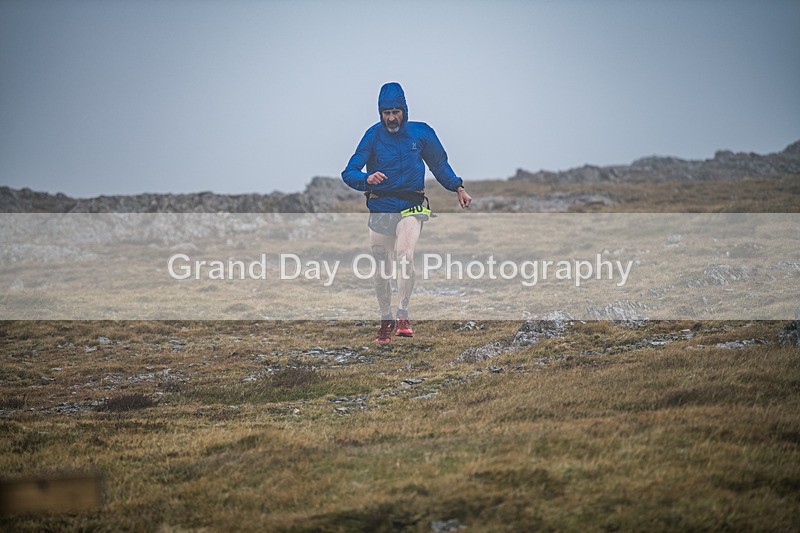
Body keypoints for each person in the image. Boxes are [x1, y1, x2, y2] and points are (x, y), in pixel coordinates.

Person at [342, 82, 472, 343]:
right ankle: (385, 317)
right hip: (380, 207)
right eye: (386, 113)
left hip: (412, 205)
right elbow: (349, 172)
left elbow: (439, 164)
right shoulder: (373, 136)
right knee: (381, 272)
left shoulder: (421, 133)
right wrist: (366, 179)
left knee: (405, 255)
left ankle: (403, 313)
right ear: (380, 113)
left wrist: (457, 187)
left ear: (405, 110)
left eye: (396, 112)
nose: (391, 118)